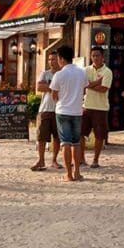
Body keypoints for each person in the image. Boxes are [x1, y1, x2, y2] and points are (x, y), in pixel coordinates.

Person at [48, 45, 88, 182]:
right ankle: (77, 172)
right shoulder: (82, 72)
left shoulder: (59, 74)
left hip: (63, 111)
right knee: (76, 143)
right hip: (77, 111)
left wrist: (61, 100)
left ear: (60, 58)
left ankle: (69, 174)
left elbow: (54, 94)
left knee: (65, 143)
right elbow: (84, 91)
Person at [81, 47, 112, 169]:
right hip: (86, 106)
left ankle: (95, 160)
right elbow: (83, 86)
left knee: (99, 136)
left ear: (102, 56)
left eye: (97, 55)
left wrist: (89, 85)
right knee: (81, 134)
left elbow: (103, 89)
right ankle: (82, 159)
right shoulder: (85, 70)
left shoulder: (107, 72)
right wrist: (96, 82)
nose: (95, 58)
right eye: (93, 55)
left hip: (100, 108)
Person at [30, 52, 61, 171]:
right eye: (49, 59)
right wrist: (53, 89)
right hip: (45, 109)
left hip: (59, 109)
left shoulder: (62, 74)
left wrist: (48, 87)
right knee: (41, 136)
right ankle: (41, 160)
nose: (51, 62)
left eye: (54, 59)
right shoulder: (45, 73)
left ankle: (54, 160)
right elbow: (39, 87)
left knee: (57, 137)